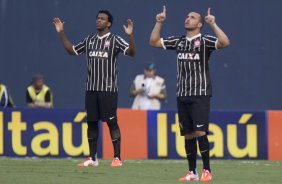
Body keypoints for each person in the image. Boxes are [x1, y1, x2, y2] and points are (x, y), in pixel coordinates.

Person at [150, 6, 230, 182]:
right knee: (187, 134)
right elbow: (154, 41)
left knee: (200, 132)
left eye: (192, 17)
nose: (188, 19)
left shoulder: (205, 41)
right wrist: (159, 22)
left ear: (200, 24)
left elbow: (224, 42)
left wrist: (214, 24)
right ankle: (192, 172)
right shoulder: (179, 41)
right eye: (187, 16)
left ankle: (207, 171)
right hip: (182, 94)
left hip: (200, 93)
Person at [53, 10, 136, 167]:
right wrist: (61, 33)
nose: (98, 20)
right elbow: (72, 51)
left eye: (102, 19)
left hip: (108, 89)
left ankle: (117, 158)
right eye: (97, 18)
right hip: (91, 89)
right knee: (91, 122)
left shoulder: (115, 40)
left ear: (109, 23)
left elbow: (132, 53)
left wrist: (130, 36)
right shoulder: (89, 40)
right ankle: (92, 158)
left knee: (111, 122)